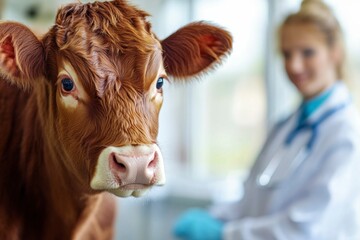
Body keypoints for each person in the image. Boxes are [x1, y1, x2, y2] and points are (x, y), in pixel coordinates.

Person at [173, 0, 360, 239]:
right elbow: (253, 200)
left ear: (335, 53)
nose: (294, 65)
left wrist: (224, 233)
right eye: (286, 54)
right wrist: (215, 216)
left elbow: (307, 229)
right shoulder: (287, 126)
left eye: (308, 52)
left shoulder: (347, 135)